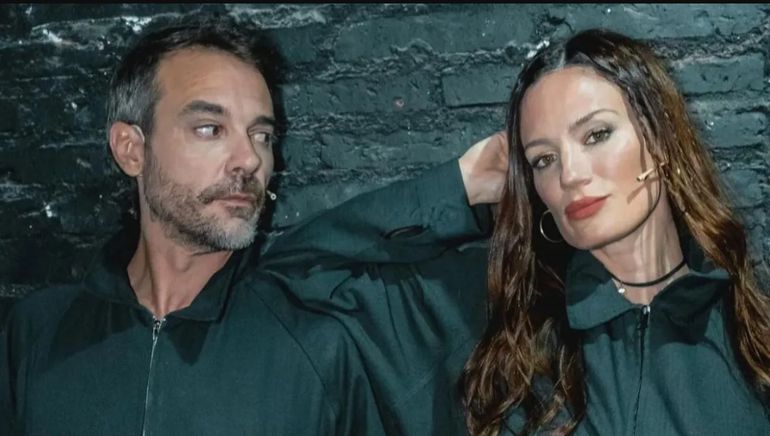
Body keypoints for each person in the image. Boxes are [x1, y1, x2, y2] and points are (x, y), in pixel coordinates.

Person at [0, 14, 507, 436]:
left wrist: (463, 185)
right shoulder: (37, 332)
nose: (249, 159)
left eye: (262, 135)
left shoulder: (313, 344)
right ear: (132, 149)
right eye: (210, 128)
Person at [461, 28, 770, 435]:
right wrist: (460, 184)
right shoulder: (511, 331)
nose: (570, 174)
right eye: (543, 159)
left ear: (658, 138)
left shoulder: (751, 339)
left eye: (597, 135)